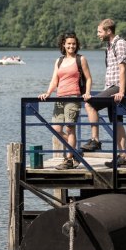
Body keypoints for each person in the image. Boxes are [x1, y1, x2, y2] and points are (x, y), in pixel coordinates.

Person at [80, 18, 126, 168]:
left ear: (108, 31)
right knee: (117, 122)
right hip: (113, 87)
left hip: (118, 87)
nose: (98, 34)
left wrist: (121, 91)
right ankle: (123, 157)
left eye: (99, 31)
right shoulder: (110, 46)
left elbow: (122, 69)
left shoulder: (120, 44)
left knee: (90, 104)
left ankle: (95, 140)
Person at [39, 32, 92, 170]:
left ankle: (68, 159)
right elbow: (54, 80)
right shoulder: (59, 61)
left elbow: (88, 78)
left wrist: (87, 93)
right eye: (68, 43)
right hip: (59, 98)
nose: (71, 46)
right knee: (56, 129)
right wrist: (48, 93)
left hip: (73, 98)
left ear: (77, 44)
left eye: (74, 43)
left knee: (70, 129)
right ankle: (75, 152)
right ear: (64, 44)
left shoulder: (81, 59)